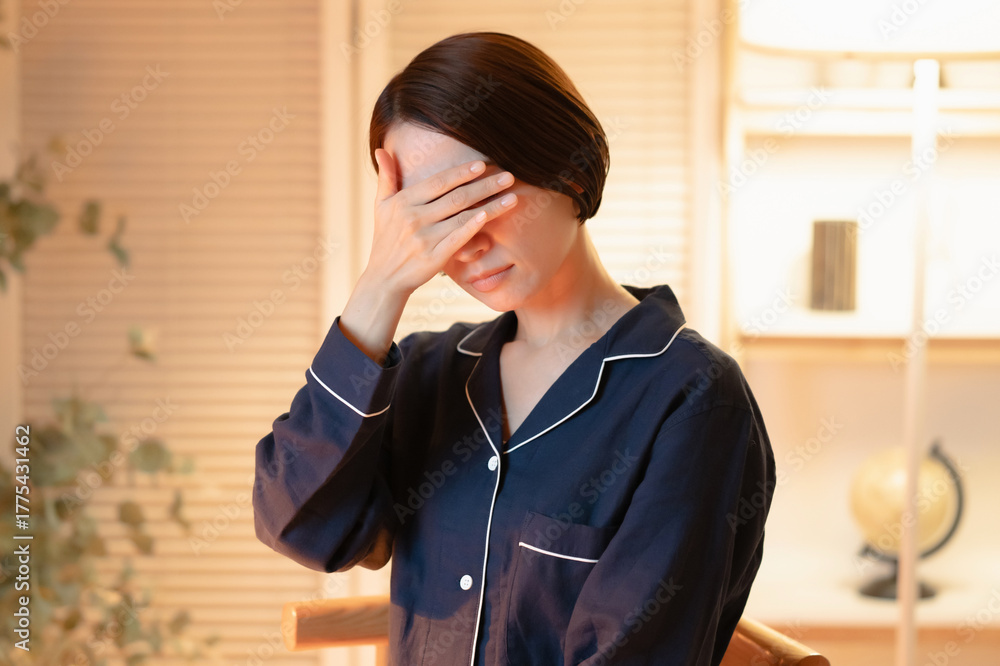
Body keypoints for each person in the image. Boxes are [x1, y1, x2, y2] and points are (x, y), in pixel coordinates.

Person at [253, 31, 775, 666]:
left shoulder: (690, 399)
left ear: (570, 170)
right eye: (428, 216)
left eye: (476, 200)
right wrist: (379, 288)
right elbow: (300, 525)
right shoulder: (428, 374)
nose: (463, 242)